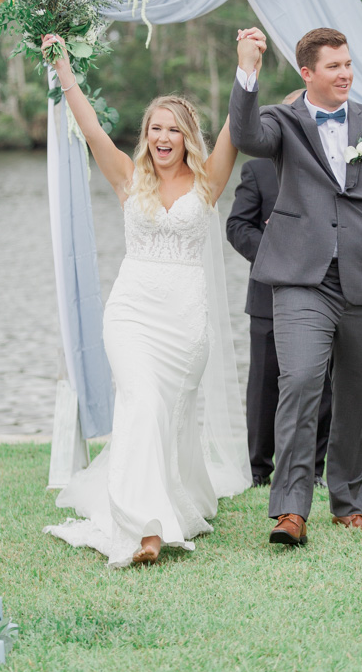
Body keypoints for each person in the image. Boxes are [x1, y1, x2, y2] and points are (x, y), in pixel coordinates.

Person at [41, 33, 251, 567]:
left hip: (185, 320)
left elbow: (235, 123)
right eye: (155, 128)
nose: (163, 137)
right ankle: (145, 529)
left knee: (168, 414)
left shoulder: (209, 182)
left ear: (187, 138)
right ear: (146, 136)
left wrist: (245, 68)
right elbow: (89, 125)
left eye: (173, 130)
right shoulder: (126, 177)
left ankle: (172, 497)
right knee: (140, 401)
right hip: (132, 313)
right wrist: (63, 66)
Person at [229, 26, 362, 546]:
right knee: (300, 381)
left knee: (357, 396)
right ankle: (290, 509)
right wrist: (247, 70)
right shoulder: (283, 121)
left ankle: (348, 501)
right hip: (302, 280)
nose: (346, 73)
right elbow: (245, 137)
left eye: (348, 64)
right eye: (334, 66)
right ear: (308, 73)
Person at [226, 89, 332, 488]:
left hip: (327, 292)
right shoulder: (257, 170)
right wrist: (275, 250)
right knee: (266, 384)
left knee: (322, 385)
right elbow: (237, 227)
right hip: (268, 294)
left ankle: (315, 468)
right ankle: (258, 468)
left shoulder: (332, 166)